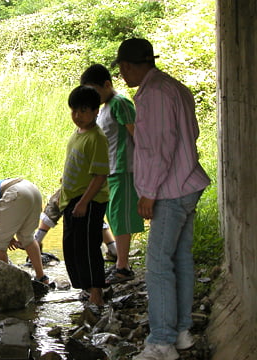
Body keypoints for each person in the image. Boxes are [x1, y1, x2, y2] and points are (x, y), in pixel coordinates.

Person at [113, 38, 211, 360]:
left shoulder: (152, 94)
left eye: (122, 69)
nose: (123, 76)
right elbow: (190, 133)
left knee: (156, 266)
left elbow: (158, 148)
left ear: (127, 66)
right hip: (187, 183)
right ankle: (181, 332)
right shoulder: (174, 86)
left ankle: (162, 342)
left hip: (169, 190)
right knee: (179, 258)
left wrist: (148, 192)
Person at [80, 63, 144, 284]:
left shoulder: (121, 103)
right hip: (108, 172)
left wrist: (147, 166)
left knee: (121, 217)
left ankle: (123, 267)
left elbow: (137, 134)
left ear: (107, 85)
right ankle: (119, 261)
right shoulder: (103, 108)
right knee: (113, 217)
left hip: (124, 169)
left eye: (94, 92)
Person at [59, 85, 110, 308]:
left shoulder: (97, 138)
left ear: (96, 111)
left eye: (83, 111)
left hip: (89, 202)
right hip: (72, 199)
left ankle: (97, 291)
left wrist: (83, 202)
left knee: (88, 247)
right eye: (74, 111)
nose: (77, 116)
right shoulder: (78, 132)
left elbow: (100, 175)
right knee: (71, 247)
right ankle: (85, 287)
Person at [33, 187, 117, 261]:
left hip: (82, 187)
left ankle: (36, 241)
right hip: (94, 189)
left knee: (55, 203)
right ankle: (113, 249)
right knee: (94, 217)